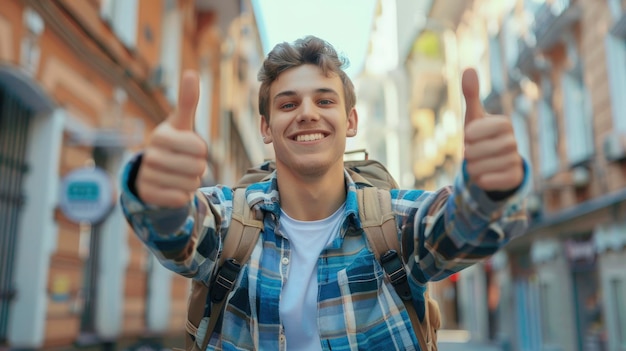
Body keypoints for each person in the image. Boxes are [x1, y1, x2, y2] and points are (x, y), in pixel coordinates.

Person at [120, 35, 529, 350]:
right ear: (265, 128)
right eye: (287, 104)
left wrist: (490, 189)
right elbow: (177, 231)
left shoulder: (396, 222)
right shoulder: (230, 222)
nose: (307, 113)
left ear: (350, 120)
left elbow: (464, 228)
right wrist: (159, 194)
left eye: (324, 100)